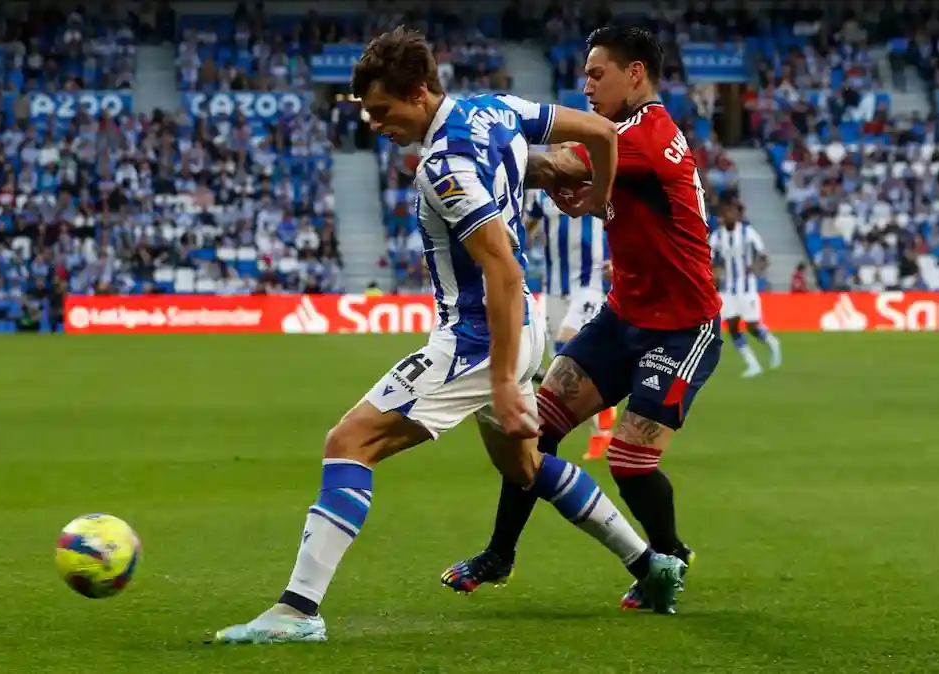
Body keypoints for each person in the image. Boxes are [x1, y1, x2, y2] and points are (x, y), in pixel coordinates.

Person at [211, 27, 687, 646]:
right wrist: (597, 200)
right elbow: (598, 133)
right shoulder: (494, 108)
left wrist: (503, 384)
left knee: (349, 442)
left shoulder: (446, 165)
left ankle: (298, 612)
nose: (377, 125)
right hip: (524, 326)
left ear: (418, 92)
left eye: (383, 111)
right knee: (527, 468)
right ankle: (650, 565)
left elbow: (502, 268)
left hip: (478, 337)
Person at [441, 25, 722, 613]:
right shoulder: (626, 139)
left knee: (628, 460)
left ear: (635, 73)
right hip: (622, 317)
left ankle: (667, 559)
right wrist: (589, 191)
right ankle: (500, 554)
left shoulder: (645, 134)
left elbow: (561, 164)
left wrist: (478, 149)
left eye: (598, 74)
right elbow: (582, 178)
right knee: (530, 430)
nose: (587, 86)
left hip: (681, 326)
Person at [524, 184, 616, 460]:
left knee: (568, 344)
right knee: (563, 367)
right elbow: (525, 229)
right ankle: (599, 421)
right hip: (553, 288)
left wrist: (619, 259)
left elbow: (620, 218)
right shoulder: (541, 193)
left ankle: (601, 430)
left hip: (590, 282)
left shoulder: (594, 185)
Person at [710, 199, 782, 377]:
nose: (729, 215)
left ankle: (772, 342)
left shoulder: (748, 233)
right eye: (726, 213)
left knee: (752, 326)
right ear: (721, 216)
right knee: (732, 327)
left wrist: (757, 266)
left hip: (747, 288)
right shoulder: (716, 237)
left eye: (732, 212)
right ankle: (752, 364)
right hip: (727, 289)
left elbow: (764, 258)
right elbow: (710, 262)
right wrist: (714, 278)